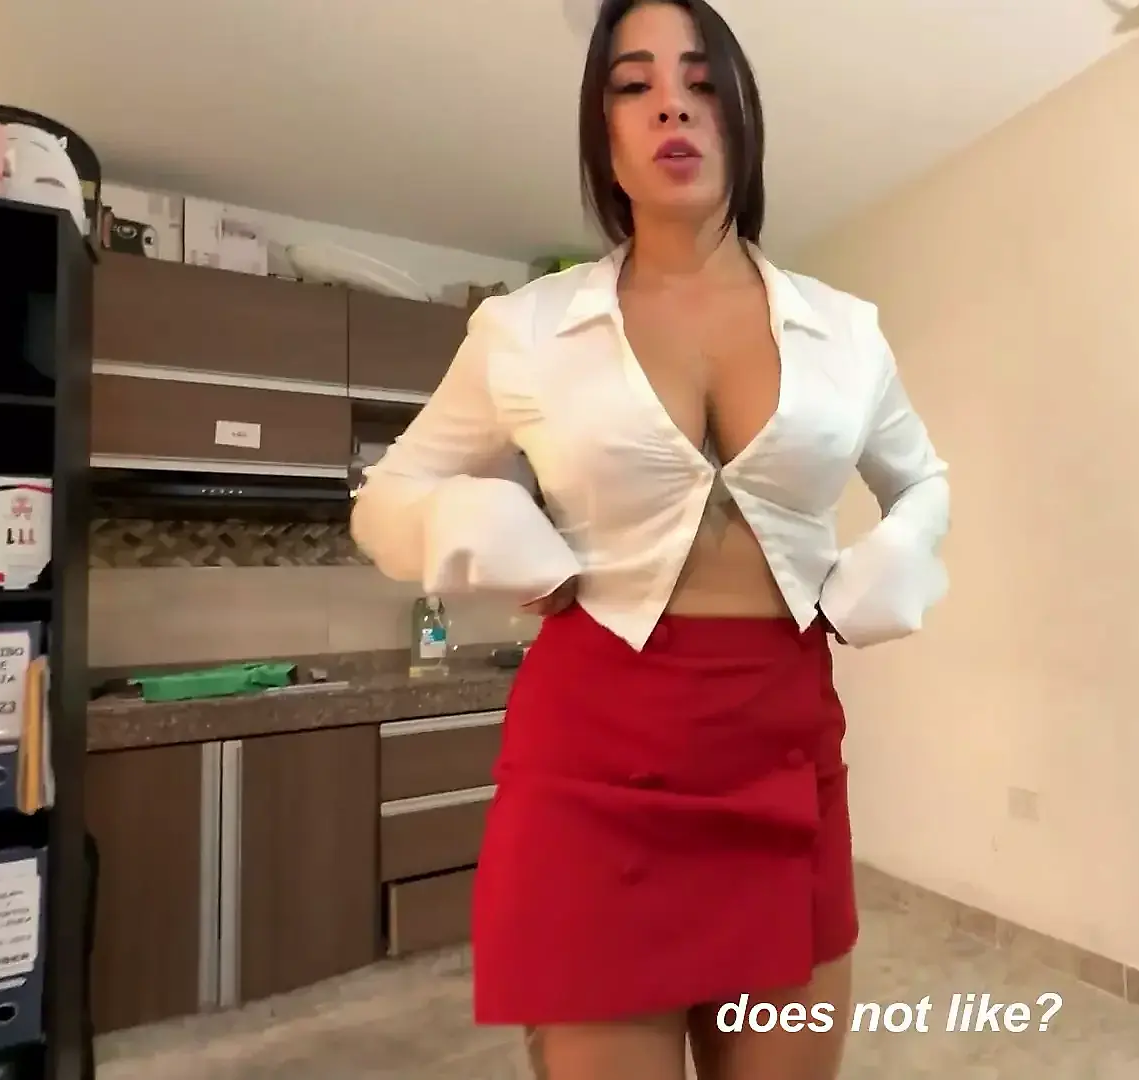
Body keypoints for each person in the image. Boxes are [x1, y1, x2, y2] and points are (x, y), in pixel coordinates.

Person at [349, 0, 949, 1076]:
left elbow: (924, 480)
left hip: (783, 748)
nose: (672, 103)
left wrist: (901, 551)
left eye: (702, 79)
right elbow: (387, 496)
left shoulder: (848, 332)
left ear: (743, 115)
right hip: (590, 761)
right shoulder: (523, 328)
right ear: (606, 132)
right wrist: (473, 521)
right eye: (634, 84)